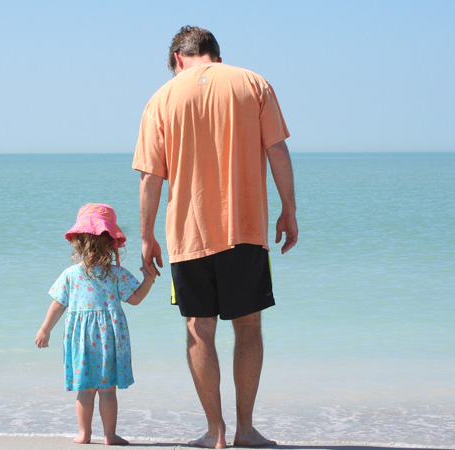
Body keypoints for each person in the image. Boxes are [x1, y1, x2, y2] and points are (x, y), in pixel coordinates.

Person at [133, 26, 298, 448]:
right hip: (244, 230)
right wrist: (289, 210)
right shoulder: (252, 83)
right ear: (215, 55)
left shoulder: (161, 98)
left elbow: (151, 175)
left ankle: (215, 433)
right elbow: (276, 149)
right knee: (248, 325)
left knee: (198, 327)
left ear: (177, 59)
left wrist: (146, 236)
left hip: (188, 235)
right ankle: (245, 431)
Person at [35, 203, 156, 446]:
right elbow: (135, 299)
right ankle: (109, 436)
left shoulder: (70, 274)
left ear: (78, 241)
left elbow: (57, 305)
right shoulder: (116, 273)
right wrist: (149, 279)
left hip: (80, 339)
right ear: (112, 243)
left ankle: (84, 434)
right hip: (110, 337)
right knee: (108, 391)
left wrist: (44, 329)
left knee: (85, 390)